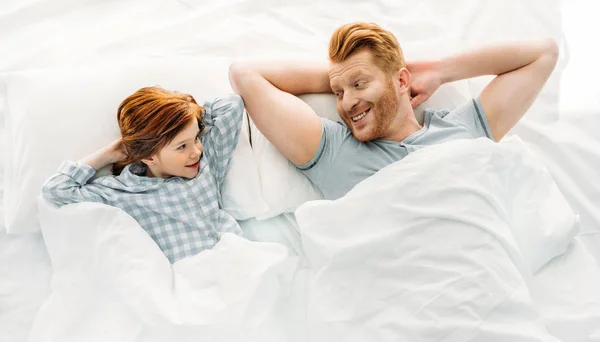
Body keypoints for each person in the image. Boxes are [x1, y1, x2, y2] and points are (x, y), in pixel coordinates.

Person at [229, 22, 559, 200]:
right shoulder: (335, 152)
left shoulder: (462, 129)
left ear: (402, 80)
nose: (345, 103)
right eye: (338, 93)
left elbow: (543, 53)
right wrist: (342, 74)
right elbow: (245, 74)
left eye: (359, 85)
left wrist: (440, 71)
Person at [41, 87, 245, 263]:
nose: (196, 151)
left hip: (238, 259)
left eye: (196, 138)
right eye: (182, 146)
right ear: (148, 157)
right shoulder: (123, 193)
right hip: (191, 279)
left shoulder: (206, 164)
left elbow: (231, 105)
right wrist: (108, 154)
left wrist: (185, 110)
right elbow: (57, 190)